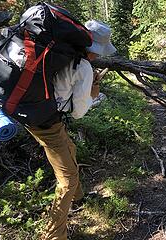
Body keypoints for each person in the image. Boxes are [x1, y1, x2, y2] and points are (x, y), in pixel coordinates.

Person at [25, 20, 116, 240]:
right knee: (67, 180)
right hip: (47, 122)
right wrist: (92, 93)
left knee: (69, 147)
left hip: (31, 112)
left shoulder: (59, 52)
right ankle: (54, 235)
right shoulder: (82, 66)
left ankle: (79, 198)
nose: (98, 56)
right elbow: (77, 113)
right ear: (91, 48)